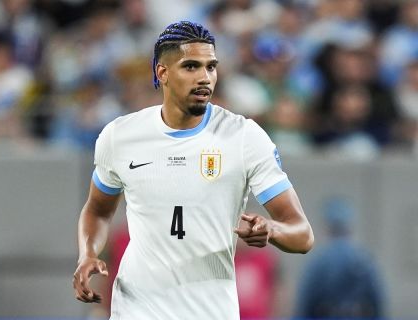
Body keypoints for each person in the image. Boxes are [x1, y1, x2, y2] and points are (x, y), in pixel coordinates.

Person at [72, 21, 314, 320]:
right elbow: (97, 210)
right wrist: (88, 253)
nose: (205, 78)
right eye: (190, 67)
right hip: (137, 309)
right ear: (162, 73)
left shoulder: (243, 137)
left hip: (210, 311)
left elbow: (302, 235)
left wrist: (273, 229)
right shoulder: (120, 136)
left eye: (210, 67)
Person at [294, 197, 385, 319]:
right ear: (349, 226)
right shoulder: (363, 260)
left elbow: (304, 306)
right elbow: (377, 303)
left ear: (327, 227)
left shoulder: (318, 262)